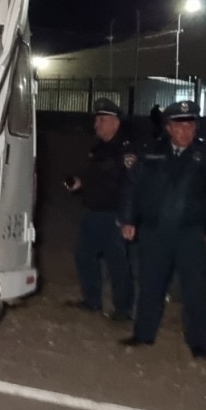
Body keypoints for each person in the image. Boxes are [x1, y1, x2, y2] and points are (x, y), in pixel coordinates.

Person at [117, 99, 206, 359]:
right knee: (150, 285)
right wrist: (127, 220)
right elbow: (131, 188)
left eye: (191, 126)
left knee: (196, 290)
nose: (186, 131)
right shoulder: (151, 154)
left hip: (191, 234)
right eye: (180, 126)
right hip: (154, 232)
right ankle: (143, 334)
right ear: (169, 128)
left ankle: (199, 343)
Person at [64, 97, 137, 320]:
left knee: (117, 264)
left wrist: (127, 218)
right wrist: (79, 182)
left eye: (102, 120)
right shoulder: (98, 148)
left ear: (116, 122)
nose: (97, 125)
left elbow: (132, 186)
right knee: (84, 256)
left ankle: (123, 309)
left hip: (113, 215)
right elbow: (96, 177)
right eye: (96, 120)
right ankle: (91, 300)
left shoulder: (126, 152)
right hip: (93, 212)